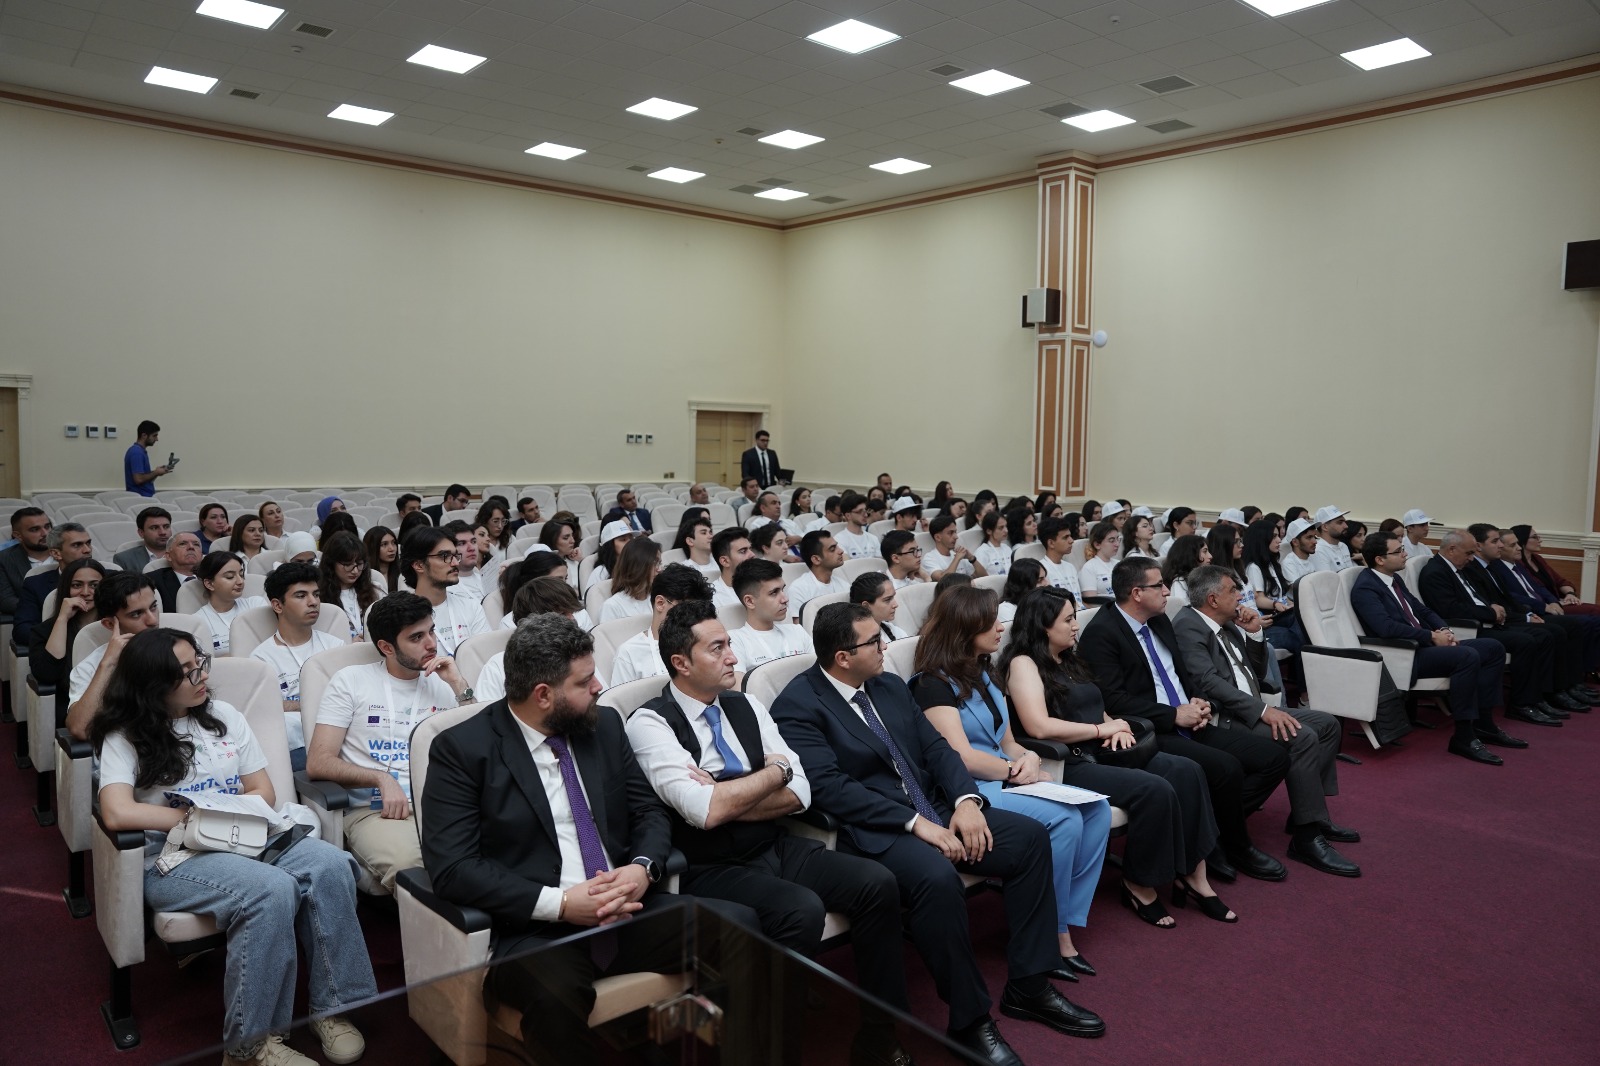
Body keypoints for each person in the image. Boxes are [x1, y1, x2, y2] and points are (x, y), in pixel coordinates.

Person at [771, 603, 1106, 1059]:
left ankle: (1028, 985)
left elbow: (938, 749)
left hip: (936, 807)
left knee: (1029, 839)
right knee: (937, 879)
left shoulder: (888, 685)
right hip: (876, 828)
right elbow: (831, 789)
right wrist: (916, 824)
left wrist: (967, 802)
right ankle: (970, 1019)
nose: (885, 646)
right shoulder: (797, 705)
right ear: (843, 657)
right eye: (874, 641)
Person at [420, 614, 732, 1065]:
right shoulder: (463, 750)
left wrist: (642, 869)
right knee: (555, 999)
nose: (600, 687)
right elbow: (454, 868)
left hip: (626, 906)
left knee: (737, 928)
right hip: (536, 928)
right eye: (585, 682)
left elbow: (647, 811)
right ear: (543, 695)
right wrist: (563, 904)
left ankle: (691, 1046)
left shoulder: (603, 725)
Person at [625, 598, 912, 1062]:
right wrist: (772, 773)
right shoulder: (649, 722)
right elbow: (705, 814)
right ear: (681, 663)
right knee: (800, 911)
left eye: (729, 644)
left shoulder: (746, 704)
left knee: (876, 883)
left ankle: (879, 1036)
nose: (732, 657)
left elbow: (801, 793)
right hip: (709, 863)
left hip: (773, 844)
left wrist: (733, 791)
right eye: (717, 648)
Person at [94, 627, 375, 1066]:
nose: (202, 675)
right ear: (153, 684)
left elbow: (262, 790)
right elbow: (115, 811)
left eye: (200, 663)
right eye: (186, 672)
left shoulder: (223, 715)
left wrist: (220, 817)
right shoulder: (126, 734)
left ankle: (332, 1007)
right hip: (175, 856)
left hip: (245, 835)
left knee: (332, 865)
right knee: (270, 890)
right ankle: (249, 1049)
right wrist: (194, 819)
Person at [1002, 587, 1229, 928]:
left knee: (1188, 771)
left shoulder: (1068, 658)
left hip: (1102, 750)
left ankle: (1195, 875)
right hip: (1068, 762)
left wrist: (1116, 727)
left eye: (1074, 617)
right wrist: (1101, 730)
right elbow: (1038, 726)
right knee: (1153, 789)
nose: (1076, 625)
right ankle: (1138, 883)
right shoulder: (1023, 664)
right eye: (1068, 619)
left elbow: (1095, 705)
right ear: (1043, 626)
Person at [912, 586, 1112, 970]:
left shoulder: (984, 673)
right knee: (1066, 821)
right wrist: (1012, 771)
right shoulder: (931, 684)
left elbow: (1008, 742)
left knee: (1096, 810)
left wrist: (1030, 758)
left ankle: (1061, 917)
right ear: (966, 627)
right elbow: (960, 757)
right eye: (991, 622)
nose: (1001, 628)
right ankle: (1054, 933)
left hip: (1006, 775)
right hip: (971, 788)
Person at [1076, 558, 1290, 884]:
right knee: (1226, 768)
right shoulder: (1101, 633)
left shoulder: (1159, 619)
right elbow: (1113, 701)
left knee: (1274, 757)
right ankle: (1237, 845)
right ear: (1136, 593)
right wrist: (1174, 714)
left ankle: (1211, 831)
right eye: (1159, 586)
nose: (1167, 591)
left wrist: (1199, 701)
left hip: (1189, 719)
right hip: (1150, 730)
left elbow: (1181, 673)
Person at [1172, 566, 1358, 877]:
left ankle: (1310, 813)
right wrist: (1262, 711)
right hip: (1223, 717)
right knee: (1302, 737)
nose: (1240, 596)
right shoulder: (1188, 626)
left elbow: (1255, 672)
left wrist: (1255, 633)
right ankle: (1306, 836)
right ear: (1213, 599)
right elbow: (1207, 681)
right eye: (1233, 590)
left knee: (1327, 725)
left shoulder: (1227, 622)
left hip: (1250, 707)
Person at [307, 591, 473, 892]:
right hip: (375, 811)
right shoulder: (351, 681)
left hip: (444, 805)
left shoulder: (445, 682)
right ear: (386, 647)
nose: (431, 643)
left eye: (431, 631)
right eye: (416, 637)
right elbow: (319, 762)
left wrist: (459, 685)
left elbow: (481, 747)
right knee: (415, 867)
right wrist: (381, 779)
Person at [1350, 530, 1518, 763]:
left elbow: (1421, 610)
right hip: (1405, 655)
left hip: (1423, 645)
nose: (1404, 554)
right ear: (1380, 559)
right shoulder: (1365, 588)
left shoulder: (1394, 579)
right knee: (1467, 656)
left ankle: (1485, 724)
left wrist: (1444, 630)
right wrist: (1430, 636)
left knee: (1493, 648)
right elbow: (1386, 628)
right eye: (1398, 551)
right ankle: (1463, 736)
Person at [1418, 530, 1570, 726]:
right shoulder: (1435, 573)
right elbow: (1450, 609)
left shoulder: (1458, 567)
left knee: (1544, 635)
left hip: (1486, 621)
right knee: (1526, 641)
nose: (1471, 558)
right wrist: (1490, 612)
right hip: (1470, 628)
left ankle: (1538, 697)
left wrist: (1493, 608)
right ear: (1452, 549)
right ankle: (1521, 704)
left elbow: (1474, 597)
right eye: (1469, 553)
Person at [250, 561, 342, 765]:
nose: (313, 602)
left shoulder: (335, 647)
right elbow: (269, 709)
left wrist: (295, 706)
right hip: (295, 750)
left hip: (341, 738)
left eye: (316, 594)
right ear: (278, 605)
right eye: (301, 596)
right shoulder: (262, 659)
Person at [65, 571, 165, 739]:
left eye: (153, 607)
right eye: (136, 614)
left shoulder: (183, 649)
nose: (153, 620)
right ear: (110, 624)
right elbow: (80, 728)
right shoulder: (91, 667)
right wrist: (110, 663)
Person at [475, 577, 587, 702]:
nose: (572, 620)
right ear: (535, 622)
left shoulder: (579, 655)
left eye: (572, 613)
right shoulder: (497, 667)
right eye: (563, 614)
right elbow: (488, 712)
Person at [609, 564, 712, 685]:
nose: (693, 617)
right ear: (660, 603)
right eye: (686, 610)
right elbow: (623, 697)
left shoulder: (705, 643)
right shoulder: (629, 653)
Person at [401, 526, 488, 657]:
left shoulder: (472, 607)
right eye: (445, 556)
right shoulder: (402, 616)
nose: (455, 563)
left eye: (455, 556)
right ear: (419, 565)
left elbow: (485, 658)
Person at [27, 559, 106, 701]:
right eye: (77, 585)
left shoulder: (116, 625)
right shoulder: (43, 630)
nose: (85, 592)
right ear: (65, 589)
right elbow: (47, 674)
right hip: (69, 703)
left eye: (94, 585)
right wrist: (62, 619)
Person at [13, 522, 93, 643]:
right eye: (77, 545)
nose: (87, 550)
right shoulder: (36, 584)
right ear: (56, 553)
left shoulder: (110, 578)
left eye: (88, 543)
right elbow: (22, 631)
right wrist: (62, 634)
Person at [727, 559, 810, 670]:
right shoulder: (735, 641)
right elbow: (738, 680)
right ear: (750, 601)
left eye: (782, 589)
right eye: (774, 593)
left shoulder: (797, 631)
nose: (785, 599)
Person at [193, 552, 269, 656]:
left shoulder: (255, 604)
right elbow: (202, 662)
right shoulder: (199, 622)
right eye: (230, 577)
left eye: (241, 575)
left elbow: (272, 643)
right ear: (209, 584)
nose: (240, 581)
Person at [319, 532, 380, 642]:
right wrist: (348, 643)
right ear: (331, 564)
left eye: (359, 564)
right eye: (347, 565)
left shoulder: (376, 591)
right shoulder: (318, 597)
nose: (355, 571)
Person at [786, 530, 849, 625]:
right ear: (816, 559)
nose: (841, 551)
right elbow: (800, 628)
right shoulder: (798, 589)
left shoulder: (844, 585)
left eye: (837, 546)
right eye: (832, 549)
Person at [0, 506, 53, 615]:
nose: (45, 533)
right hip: (31, 620)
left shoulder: (69, 552)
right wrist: (52, 610)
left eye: (47, 527)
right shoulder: (4, 559)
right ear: (18, 535)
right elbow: (6, 601)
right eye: (35, 529)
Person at [599, 537, 663, 623]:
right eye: (655, 563)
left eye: (659, 563)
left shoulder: (661, 598)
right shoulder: (612, 606)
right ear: (638, 567)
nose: (659, 569)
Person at [149, 532, 204, 612]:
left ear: (202, 556)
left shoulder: (213, 577)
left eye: (196, 544)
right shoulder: (153, 581)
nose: (191, 547)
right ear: (168, 556)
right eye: (182, 544)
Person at [1035, 516, 1083, 608]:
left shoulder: (1070, 567)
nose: (1071, 541)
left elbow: (1080, 601)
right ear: (1051, 543)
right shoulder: (1042, 571)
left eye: (1070, 536)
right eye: (1065, 537)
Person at [851, 571, 910, 642]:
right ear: (866, 606)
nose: (895, 605)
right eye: (887, 599)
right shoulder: (854, 641)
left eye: (893, 597)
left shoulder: (894, 631)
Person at [923, 514, 984, 580]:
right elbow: (942, 579)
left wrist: (972, 558)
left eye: (955, 532)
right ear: (938, 537)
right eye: (950, 533)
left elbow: (984, 577)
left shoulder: (958, 555)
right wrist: (957, 559)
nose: (956, 537)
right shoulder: (929, 558)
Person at [1160, 534, 1211, 612]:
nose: (1210, 556)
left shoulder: (1202, 577)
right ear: (1191, 554)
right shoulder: (1179, 583)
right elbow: (1183, 612)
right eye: (1205, 551)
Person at [114, 507, 171, 575]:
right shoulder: (124, 559)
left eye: (166, 527)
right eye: (154, 528)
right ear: (141, 532)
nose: (163, 532)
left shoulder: (182, 553)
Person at [122, 420, 169, 497]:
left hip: (144, 497)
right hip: (141, 499)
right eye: (154, 436)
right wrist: (156, 473)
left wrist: (157, 472)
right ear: (144, 435)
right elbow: (139, 479)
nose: (157, 439)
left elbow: (142, 477)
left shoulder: (140, 451)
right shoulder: (137, 453)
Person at [1076, 521, 1121, 601]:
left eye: (1118, 539)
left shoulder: (1119, 564)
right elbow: (1091, 601)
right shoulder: (1089, 568)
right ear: (1097, 544)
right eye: (1111, 540)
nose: (1117, 544)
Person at [587, 519, 637, 591]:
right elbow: (591, 596)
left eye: (631, 538)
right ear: (610, 545)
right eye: (623, 539)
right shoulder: (600, 573)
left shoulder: (638, 565)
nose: (629, 543)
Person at [709, 527, 753, 608]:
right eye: (743, 551)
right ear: (725, 561)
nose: (752, 554)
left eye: (750, 549)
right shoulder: (711, 597)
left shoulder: (764, 584)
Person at [833, 492, 880, 561]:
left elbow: (880, 563)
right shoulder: (839, 540)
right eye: (860, 511)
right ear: (848, 516)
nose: (865, 515)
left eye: (865, 510)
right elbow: (847, 565)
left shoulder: (873, 538)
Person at [997, 559, 1045, 624]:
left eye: (1045, 578)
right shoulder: (1006, 610)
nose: (1047, 583)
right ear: (1024, 585)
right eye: (1039, 580)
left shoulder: (1040, 604)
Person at [538, 517, 582, 587]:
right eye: (566, 538)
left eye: (572, 536)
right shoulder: (543, 567)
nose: (573, 541)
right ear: (552, 540)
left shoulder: (576, 561)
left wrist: (581, 561)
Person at [1308, 506, 1354, 572]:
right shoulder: (1318, 550)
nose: (1346, 526)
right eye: (1340, 522)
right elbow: (1326, 577)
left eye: (1344, 522)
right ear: (1325, 527)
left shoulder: (1343, 546)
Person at [1279, 517, 1321, 585]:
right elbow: (1299, 589)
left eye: (1314, 537)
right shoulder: (1289, 563)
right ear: (1295, 542)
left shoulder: (1313, 558)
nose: (1315, 541)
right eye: (1309, 537)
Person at [674, 511, 719, 576]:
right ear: (690, 541)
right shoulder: (682, 571)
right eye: (704, 533)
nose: (711, 536)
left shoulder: (723, 564)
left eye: (710, 533)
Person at [364, 525, 401, 592]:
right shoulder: (365, 576)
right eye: (384, 544)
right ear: (372, 548)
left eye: (393, 543)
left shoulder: (401, 574)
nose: (392, 549)